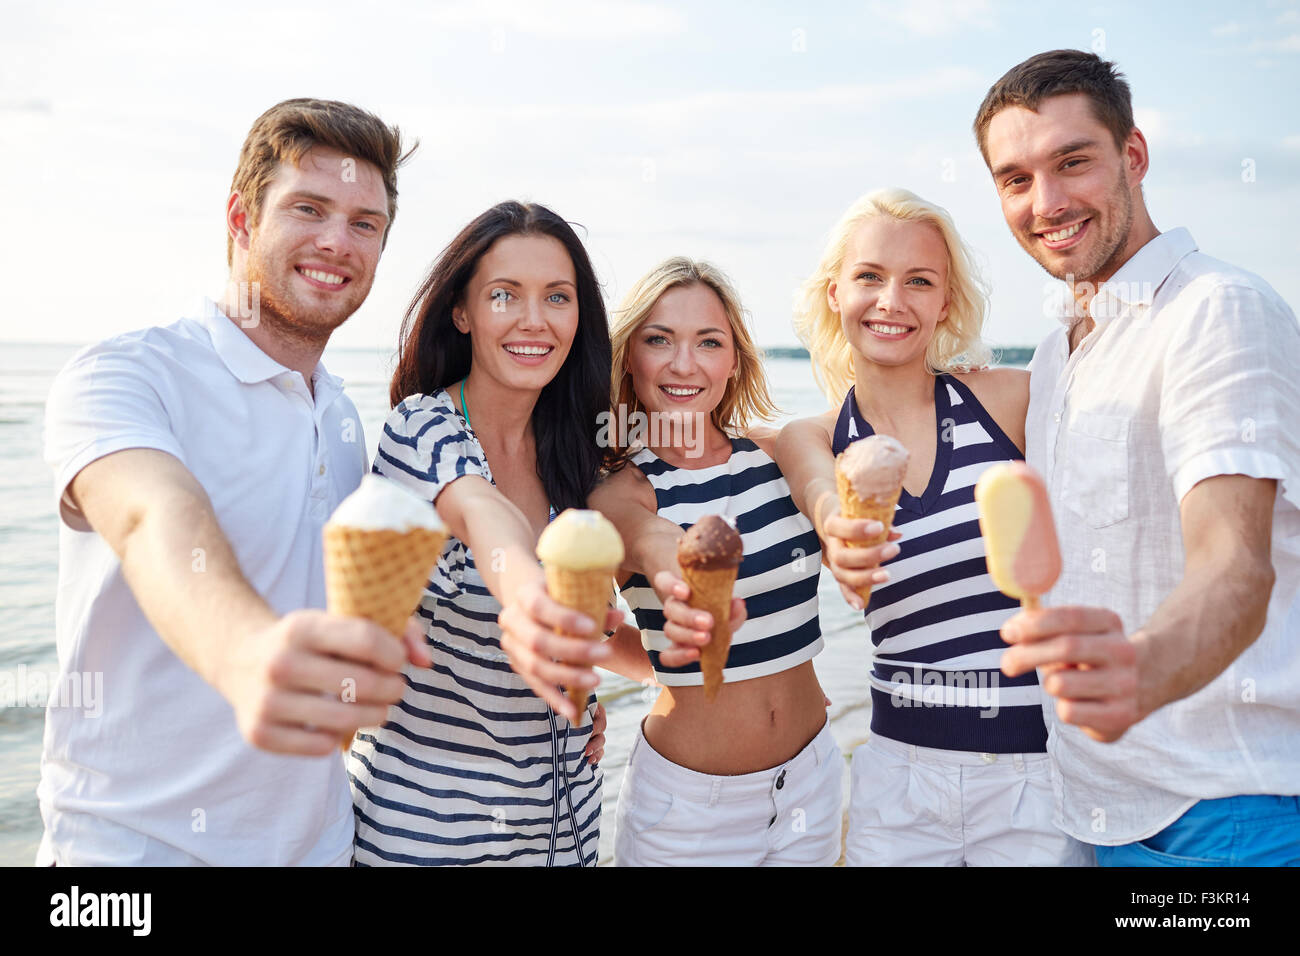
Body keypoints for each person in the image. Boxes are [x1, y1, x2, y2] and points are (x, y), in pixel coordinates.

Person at [39, 98, 419, 865]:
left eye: (364, 223)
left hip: (319, 848)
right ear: (241, 219)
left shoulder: (344, 418)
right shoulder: (127, 374)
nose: (336, 242)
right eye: (308, 209)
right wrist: (245, 655)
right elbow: (153, 516)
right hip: (131, 856)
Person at [974, 49, 1300, 866]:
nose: (1046, 203)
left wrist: (1145, 667)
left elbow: (1237, 564)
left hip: (1225, 816)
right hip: (1093, 812)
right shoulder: (1057, 354)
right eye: (1016, 179)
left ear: (1134, 155)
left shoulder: (1216, 310)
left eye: (1071, 162)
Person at [776, 188, 1093, 866]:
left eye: (919, 281)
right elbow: (794, 477)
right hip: (898, 786)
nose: (892, 300)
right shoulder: (818, 437)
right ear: (835, 292)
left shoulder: (1005, 402)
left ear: (945, 303)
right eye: (869, 277)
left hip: (1032, 776)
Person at [348, 201, 620, 867]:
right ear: (462, 313)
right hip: (427, 839)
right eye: (505, 296)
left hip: (565, 832)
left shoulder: (575, 453)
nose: (535, 320)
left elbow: (600, 637)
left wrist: (692, 652)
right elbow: (480, 515)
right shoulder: (421, 430)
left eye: (558, 296)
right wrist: (531, 604)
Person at [587, 257, 842, 866]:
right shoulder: (618, 486)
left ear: (734, 360)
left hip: (812, 781)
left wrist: (954, 366)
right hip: (688, 812)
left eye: (708, 342)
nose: (684, 364)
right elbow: (629, 565)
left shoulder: (782, 454)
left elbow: (887, 411)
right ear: (629, 358)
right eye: (659, 340)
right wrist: (678, 591)